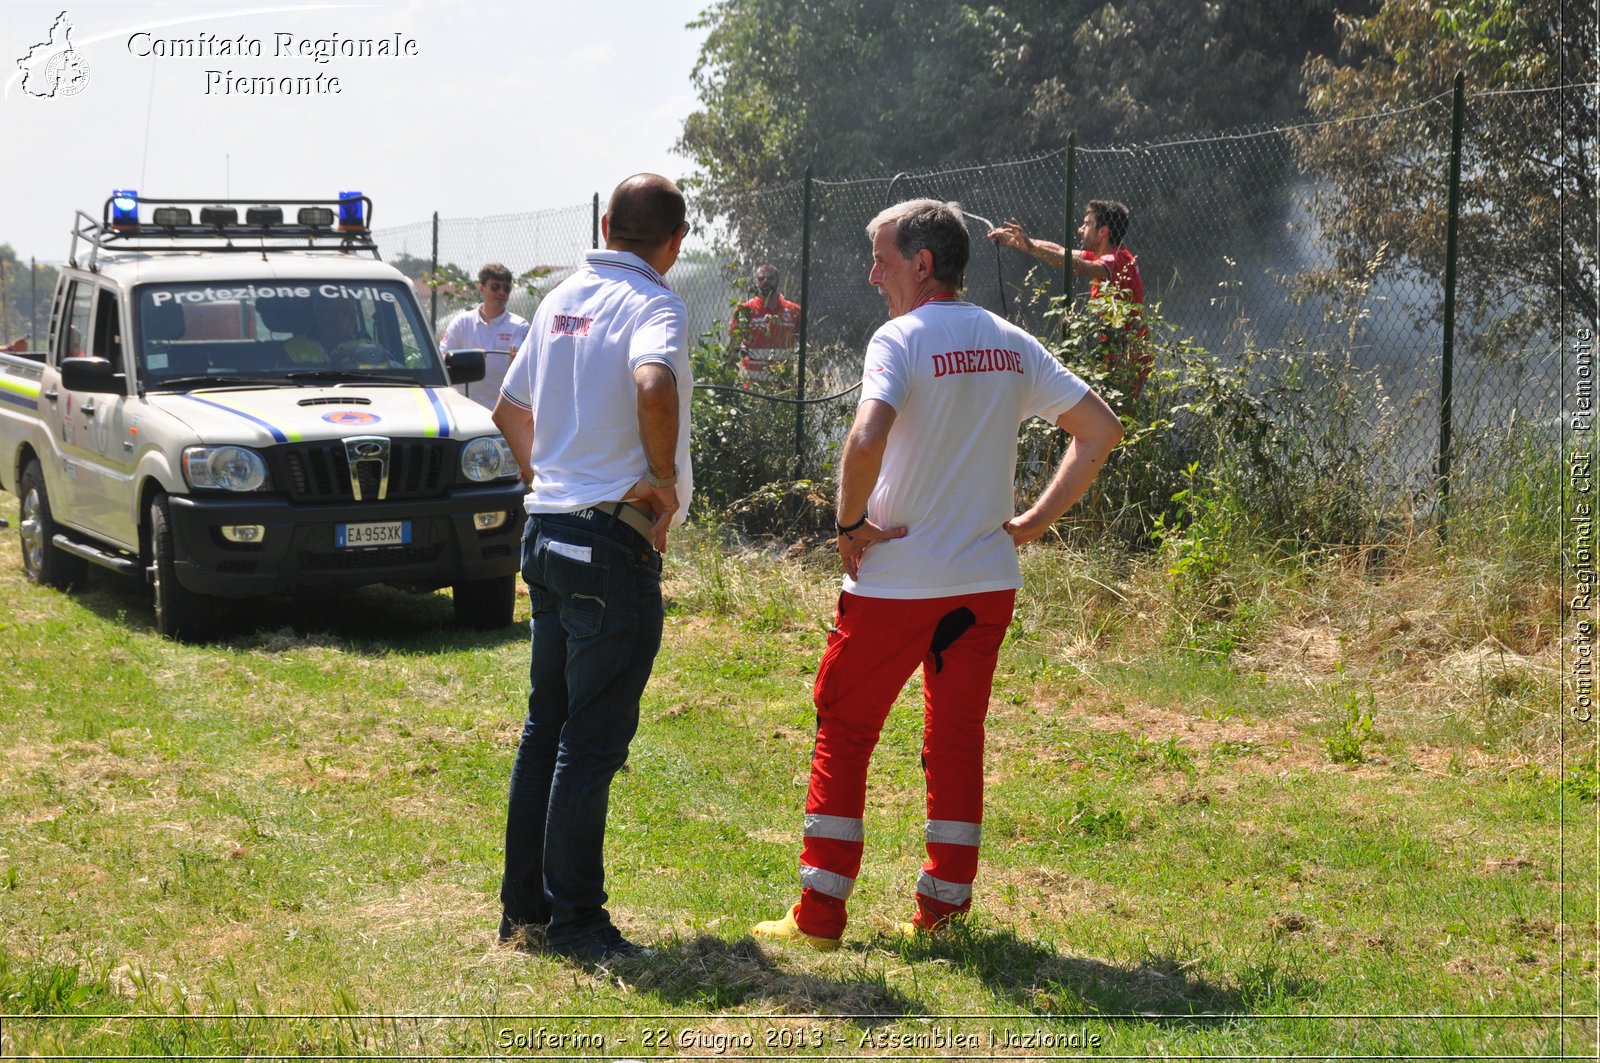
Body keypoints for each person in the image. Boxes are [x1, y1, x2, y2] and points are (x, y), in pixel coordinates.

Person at [752, 199, 1123, 949]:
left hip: (895, 582)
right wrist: (1032, 524)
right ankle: (944, 914)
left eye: (882, 258)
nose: (871, 272)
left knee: (845, 728)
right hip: (984, 582)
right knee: (956, 738)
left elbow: (865, 435)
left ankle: (819, 916)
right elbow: (1101, 430)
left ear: (922, 264)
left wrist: (849, 523)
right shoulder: (1009, 340)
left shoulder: (900, 338)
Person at [491, 173, 694, 965]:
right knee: (589, 741)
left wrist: (548, 481)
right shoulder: (655, 305)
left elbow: (510, 408)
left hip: (546, 536)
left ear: (607, 223)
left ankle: (524, 912)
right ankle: (576, 922)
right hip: (611, 545)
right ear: (676, 241)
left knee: (547, 726)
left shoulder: (558, 298)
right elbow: (652, 382)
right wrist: (663, 479)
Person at [989, 200, 1151, 401]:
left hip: (1128, 356)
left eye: (1087, 224)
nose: (1080, 229)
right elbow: (1060, 251)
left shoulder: (1115, 261)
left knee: (1118, 415)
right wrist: (1022, 243)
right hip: (1118, 351)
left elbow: (1077, 266)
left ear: (1103, 232)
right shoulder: (1107, 255)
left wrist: (1030, 247)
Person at [440, 263, 531, 410]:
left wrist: (517, 362)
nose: (501, 292)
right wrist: (469, 357)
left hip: (499, 409)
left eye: (506, 288)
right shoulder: (462, 322)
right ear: (481, 288)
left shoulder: (519, 326)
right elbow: (442, 358)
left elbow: (524, 361)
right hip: (462, 405)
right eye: (495, 287)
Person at [728, 263, 801, 378]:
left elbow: (802, 345)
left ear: (777, 280)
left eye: (770, 278)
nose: (765, 281)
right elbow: (733, 347)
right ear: (756, 282)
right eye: (761, 278)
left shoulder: (794, 310)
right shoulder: (744, 310)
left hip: (783, 382)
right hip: (752, 384)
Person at [281, 294, 358, 366]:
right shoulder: (293, 348)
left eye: (354, 313)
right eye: (345, 312)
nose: (353, 318)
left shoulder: (362, 346)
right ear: (325, 314)